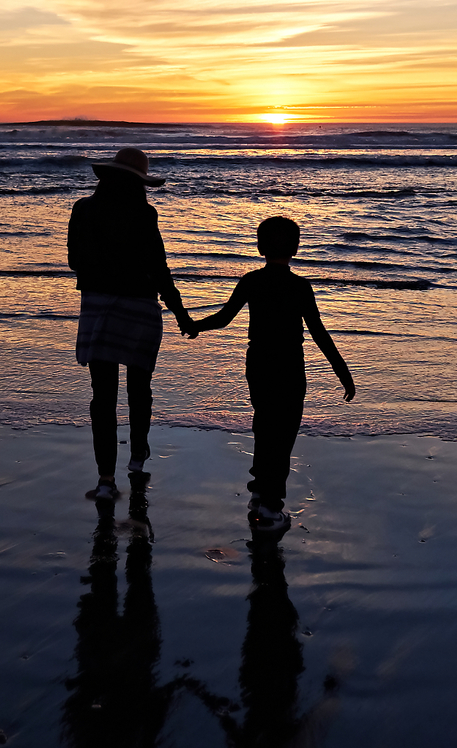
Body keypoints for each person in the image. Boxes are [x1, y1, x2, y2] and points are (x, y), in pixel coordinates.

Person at [190, 216, 354, 532]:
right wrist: (342, 371)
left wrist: (195, 325)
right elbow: (318, 332)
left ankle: (259, 493)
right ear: (296, 248)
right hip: (289, 364)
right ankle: (270, 507)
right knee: (284, 433)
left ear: (260, 247)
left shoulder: (251, 280)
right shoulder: (300, 286)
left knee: (264, 425)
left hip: (258, 363)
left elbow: (223, 318)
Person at [68, 147, 194, 502]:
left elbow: (75, 261)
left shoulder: (83, 209)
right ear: (139, 183)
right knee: (139, 388)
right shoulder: (144, 213)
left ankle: (105, 480)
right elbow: (159, 268)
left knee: (102, 396)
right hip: (140, 307)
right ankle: (138, 455)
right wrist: (181, 313)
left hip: (98, 308)